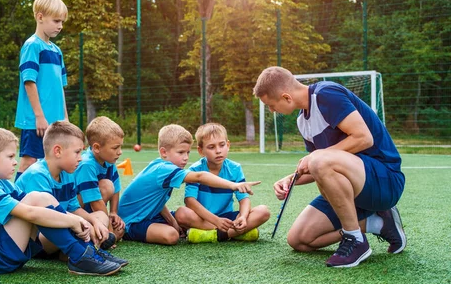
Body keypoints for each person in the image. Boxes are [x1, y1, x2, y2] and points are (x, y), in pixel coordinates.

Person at [253, 66, 406, 268]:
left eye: (271, 105)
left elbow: (363, 138)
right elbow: (319, 169)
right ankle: (378, 223)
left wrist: (317, 157)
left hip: (384, 181)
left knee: (318, 159)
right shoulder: (302, 121)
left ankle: (355, 240)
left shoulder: (326, 94)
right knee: (299, 239)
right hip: (351, 186)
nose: (272, 111)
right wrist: (291, 179)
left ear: (286, 97)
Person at [0, 125, 122, 277]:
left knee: (41, 198)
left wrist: (81, 220)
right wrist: (74, 220)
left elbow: (36, 205)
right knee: (37, 198)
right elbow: (30, 212)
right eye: (10, 156)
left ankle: (85, 252)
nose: (15, 162)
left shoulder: (1, 183)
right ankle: (80, 255)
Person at [117, 124, 260, 245]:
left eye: (187, 153)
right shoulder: (164, 169)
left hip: (150, 215)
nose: (185, 158)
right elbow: (199, 177)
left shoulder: (164, 167)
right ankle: (228, 233)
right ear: (164, 152)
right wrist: (232, 185)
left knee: (179, 220)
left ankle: (219, 233)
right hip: (132, 222)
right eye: (180, 153)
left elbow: (157, 202)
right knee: (171, 235)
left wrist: (171, 220)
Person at [16, 121, 128, 266]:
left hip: (62, 226)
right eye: (77, 152)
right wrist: (81, 222)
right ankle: (83, 252)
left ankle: (77, 252)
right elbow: (46, 216)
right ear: (58, 151)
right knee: (72, 222)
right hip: (38, 239)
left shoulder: (67, 173)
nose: (80, 157)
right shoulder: (37, 175)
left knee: (100, 216)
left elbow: (74, 208)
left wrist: (94, 222)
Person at [175, 123, 271, 243]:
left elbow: (244, 199)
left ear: (228, 145)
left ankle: (212, 235)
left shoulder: (235, 168)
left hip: (227, 218)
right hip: (204, 218)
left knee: (263, 211)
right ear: (201, 151)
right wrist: (216, 221)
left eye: (222, 145)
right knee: (181, 213)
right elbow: (190, 201)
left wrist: (243, 217)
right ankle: (235, 233)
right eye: (211, 147)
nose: (218, 151)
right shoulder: (195, 170)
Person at [15, 0, 69, 181]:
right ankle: (16, 202)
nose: (60, 26)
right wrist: (39, 116)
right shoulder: (32, 46)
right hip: (36, 121)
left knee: (55, 162)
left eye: (62, 21)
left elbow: (61, 87)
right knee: (30, 160)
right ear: (40, 17)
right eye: (56, 21)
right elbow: (29, 81)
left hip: (55, 121)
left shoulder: (56, 51)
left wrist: (65, 118)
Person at [73, 116, 126, 247]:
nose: (120, 152)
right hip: (76, 209)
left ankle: (99, 227)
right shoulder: (87, 165)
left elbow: (116, 187)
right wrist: (110, 233)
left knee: (109, 185)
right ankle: (99, 231)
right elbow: (95, 202)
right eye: (115, 148)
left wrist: (113, 212)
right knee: (106, 185)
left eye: (120, 147)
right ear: (97, 147)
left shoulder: (109, 159)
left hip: (93, 209)